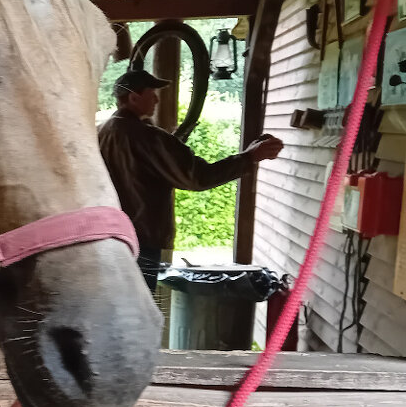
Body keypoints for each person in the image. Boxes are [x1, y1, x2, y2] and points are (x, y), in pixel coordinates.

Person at [98, 68, 284, 291]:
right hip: (141, 241)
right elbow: (197, 177)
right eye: (151, 93)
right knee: (135, 313)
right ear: (134, 97)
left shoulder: (100, 132)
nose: (157, 99)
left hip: (106, 237)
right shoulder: (147, 137)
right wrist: (249, 157)